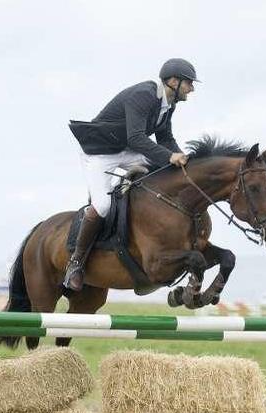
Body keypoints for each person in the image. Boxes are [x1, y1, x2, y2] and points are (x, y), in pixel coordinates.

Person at [63, 58, 199, 291]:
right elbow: (136, 137)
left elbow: (165, 138)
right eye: (188, 83)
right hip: (100, 154)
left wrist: (183, 159)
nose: (192, 89)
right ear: (173, 81)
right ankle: (75, 263)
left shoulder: (168, 104)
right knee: (103, 206)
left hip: (129, 150)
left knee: (167, 172)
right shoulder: (144, 95)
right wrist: (168, 156)